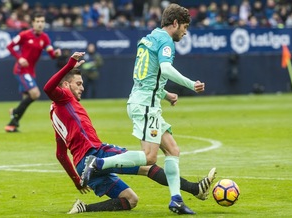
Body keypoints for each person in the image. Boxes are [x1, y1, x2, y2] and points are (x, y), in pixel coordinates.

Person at [82, 3, 216, 215]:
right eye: (185, 27)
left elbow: (147, 77)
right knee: (150, 157)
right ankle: (98, 163)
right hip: (145, 106)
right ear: (175, 23)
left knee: (172, 150)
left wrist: (165, 94)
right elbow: (165, 68)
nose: (185, 32)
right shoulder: (166, 41)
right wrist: (191, 84)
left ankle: (176, 200)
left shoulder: (149, 38)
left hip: (145, 101)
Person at [43, 52, 216, 214]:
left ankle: (83, 208)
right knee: (148, 165)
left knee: (130, 200)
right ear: (65, 85)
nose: (82, 88)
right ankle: (195, 189)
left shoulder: (56, 114)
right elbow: (48, 87)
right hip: (95, 153)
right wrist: (70, 64)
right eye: (78, 84)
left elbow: (61, 154)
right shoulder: (63, 97)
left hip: (82, 166)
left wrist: (77, 179)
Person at [4, 12, 61, 132]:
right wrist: (20, 58)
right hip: (21, 70)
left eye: (42, 22)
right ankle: (14, 112)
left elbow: (51, 54)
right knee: (35, 94)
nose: (40, 24)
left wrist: (55, 54)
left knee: (25, 100)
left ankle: (12, 125)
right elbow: (9, 46)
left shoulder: (44, 38)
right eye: (37, 21)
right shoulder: (24, 35)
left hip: (31, 72)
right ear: (33, 23)